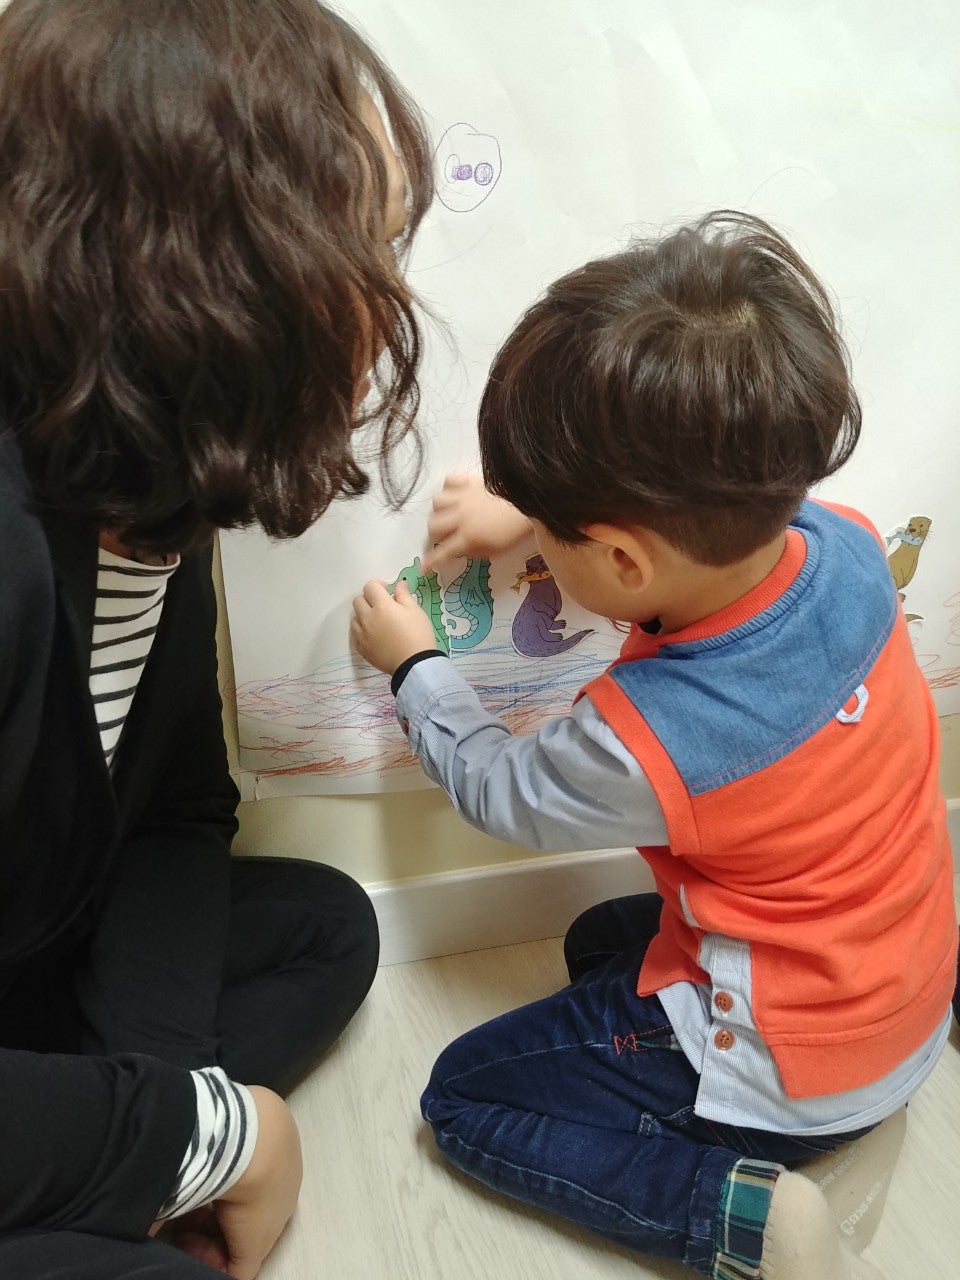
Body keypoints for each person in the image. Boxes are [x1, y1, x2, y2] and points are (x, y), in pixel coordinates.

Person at [351, 211, 957, 1280]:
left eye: (554, 534)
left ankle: (741, 1214)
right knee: (599, 936)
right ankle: (804, 1109)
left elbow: (500, 788)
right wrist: (536, 517)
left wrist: (416, 667)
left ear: (623, 558)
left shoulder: (650, 740)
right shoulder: (848, 547)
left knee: (462, 1098)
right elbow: (670, 529)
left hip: (788, 1068)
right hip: (898, 990)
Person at [0, 1, 432, 1277]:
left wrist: (169, 1106)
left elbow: (178, 811)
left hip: (33, 948)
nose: (391, 299)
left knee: (328, 925)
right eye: (365, 246)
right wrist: (209, 1134)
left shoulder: (152, 498)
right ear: (203, 266)